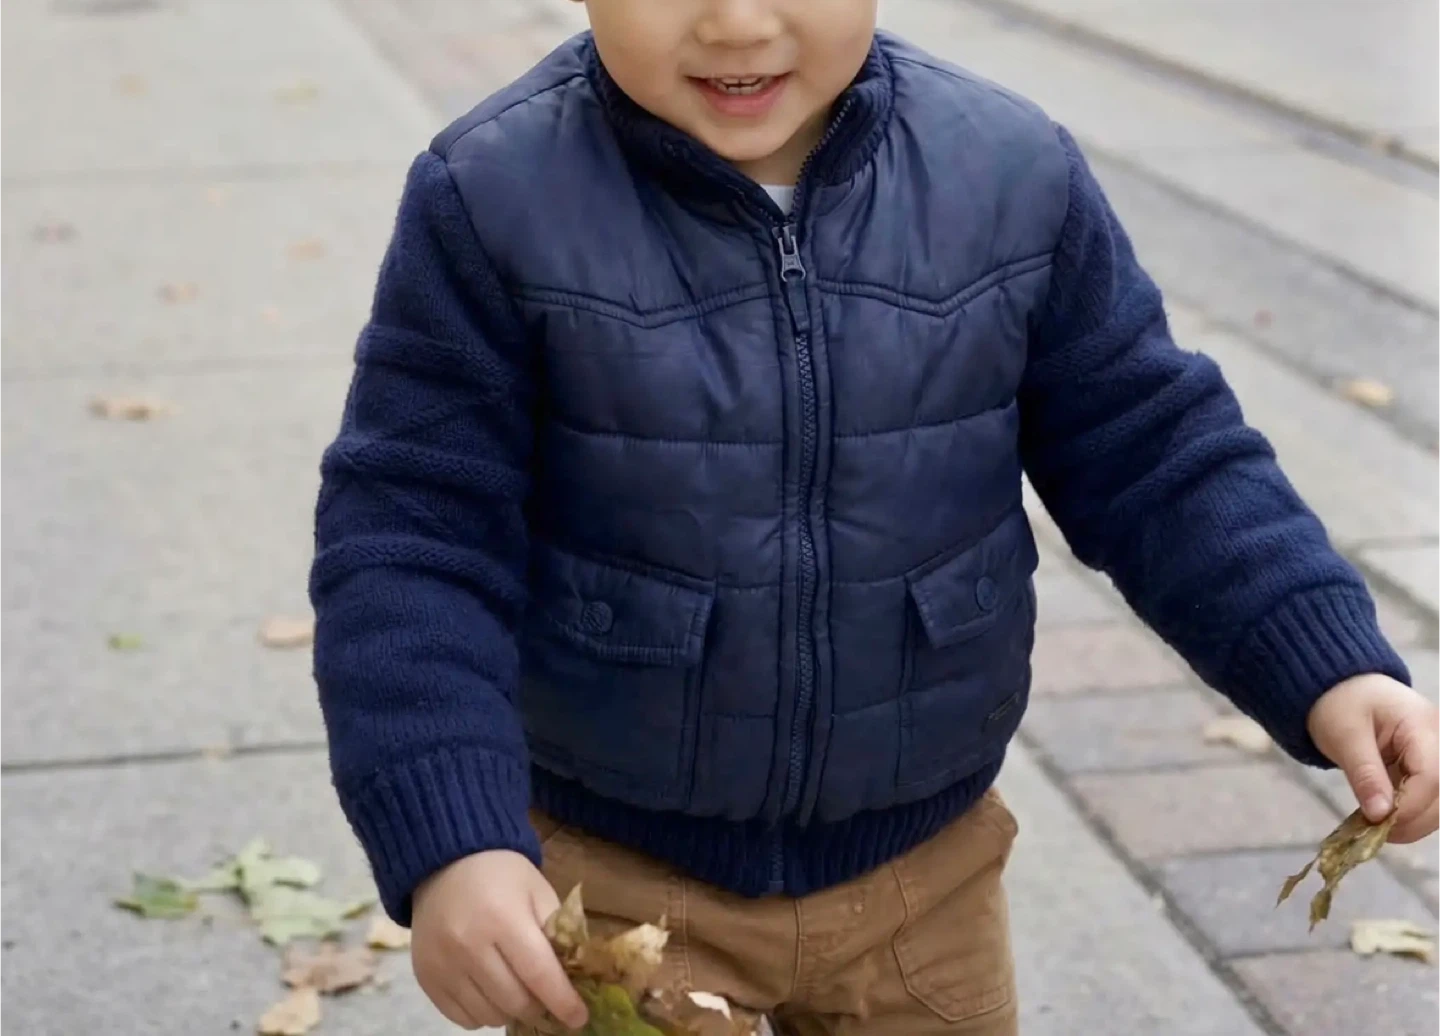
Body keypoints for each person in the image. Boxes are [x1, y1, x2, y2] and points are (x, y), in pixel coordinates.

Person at [308, 1, 1440, 1033]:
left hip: (922, 878)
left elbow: (1156, 451)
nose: (737, 22)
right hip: (619, 879)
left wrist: (1326, 663)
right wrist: (451, 836)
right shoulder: (494, 196)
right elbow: (411, 539)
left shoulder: (1008, 173)